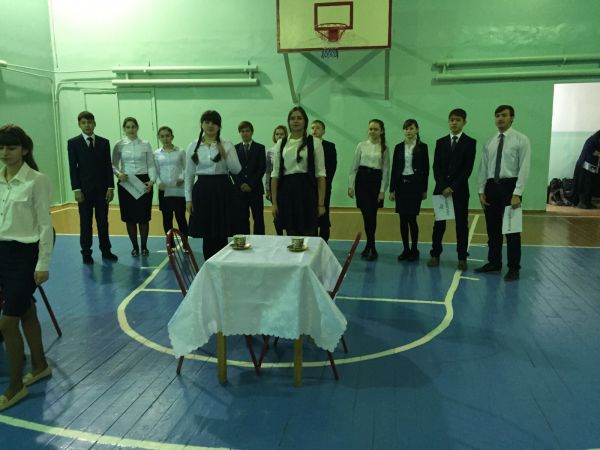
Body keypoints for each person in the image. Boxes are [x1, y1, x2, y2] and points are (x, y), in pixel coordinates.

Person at [0, 125, 54, 411]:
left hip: (25, 257)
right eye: (1, 148)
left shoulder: (37, 180)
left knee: (7, 323)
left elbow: (45, 225)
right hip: (2, 253)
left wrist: (43, 263)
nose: (5, 153)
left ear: (24, 149)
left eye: (11, 147)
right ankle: (41, 365)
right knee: (26, 312)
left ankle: (15, 386)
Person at [476, 105, 531, 281]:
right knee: (493, 229)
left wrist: (517, 192)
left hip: (510, 187)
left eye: (504, 115)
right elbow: (484, 167)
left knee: (512, 230)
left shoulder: (521, 139)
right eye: (497, 115)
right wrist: (481, 190)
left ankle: (514, 267)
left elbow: (524, 167)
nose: (500, 118)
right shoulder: (490, 141)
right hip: (492, 187)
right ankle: (494, 262)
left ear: (512, 118)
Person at [185, 110, 241, 260]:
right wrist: (188, 199)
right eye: (207, 122)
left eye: (214, 123)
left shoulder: (227, 144)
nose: (210, 125)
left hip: (222, 189)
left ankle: (222, 263)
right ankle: (209, 265)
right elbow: (189, 174)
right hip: (202, 190)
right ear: (202, 124)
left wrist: (225, 154)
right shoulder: (193, 146)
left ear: (219, 126)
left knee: (222, 232)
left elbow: (236, 169)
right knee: (207, 233)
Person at [428, 109, 476, 270]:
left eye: (458, 120)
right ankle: (435, 254)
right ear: (448, 122)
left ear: (464, 122)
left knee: (461, 225)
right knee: (439, 225)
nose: (454, 122)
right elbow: (436, 167)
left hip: (459, 191)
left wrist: (452, 187)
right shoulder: (440, 142)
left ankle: (462, 257)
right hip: (441, 191)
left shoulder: (470, 142)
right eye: (452, 120)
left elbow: (467, 169)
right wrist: (443, 186)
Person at [67, 111, 118, 265]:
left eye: (89, 122)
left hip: (102, 190)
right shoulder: (73, 143)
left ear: (94, 123)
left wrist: (110, 187)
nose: (87, 125)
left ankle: (106, 250)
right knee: (85, 223)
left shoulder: (104, 142)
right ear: (79, 125)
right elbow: (73, 168)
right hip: (84, 191)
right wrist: (76, 190)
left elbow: (108, 166)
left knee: (103, 222)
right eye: (83, 123)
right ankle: (86, 253)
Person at [271, 106, 326, 236]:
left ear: (305, 121)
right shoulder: (281, 143)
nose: (296, 121)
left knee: (310, 234)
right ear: (288, 121)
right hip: (287, 192)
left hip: (308, 192)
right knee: (291, 234)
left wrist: (321, 204)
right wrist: (274, 203)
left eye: (299, 118)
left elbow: (321, 175)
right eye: (292, 118)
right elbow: (275, 174)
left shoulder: (315, 142)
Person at [112, 117, 156, 256]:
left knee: (144, 217)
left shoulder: (146, 144)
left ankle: (144, 247)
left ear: (137, 128)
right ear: (124, 129)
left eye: (133, 126)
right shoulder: (119, 144)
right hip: (126, 182)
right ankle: (135, 247)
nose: (131, 129)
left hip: (144, 182)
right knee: (129, 218)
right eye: (128, 127)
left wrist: (152, 181)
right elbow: (113, 164)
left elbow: (151, 164)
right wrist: (119, 174)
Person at [348, 119, 390, 261]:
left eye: (376, 129)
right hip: (362, 182)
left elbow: (386, 171)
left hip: (375, 183)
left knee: (372, 215)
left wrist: (382, 190)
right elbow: (354, 167)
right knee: (367, 215)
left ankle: (370, 246)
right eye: (371, 129)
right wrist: (350, 185)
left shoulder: (384, 148)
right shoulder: (361, 145)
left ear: (381, 131)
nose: (372, 131)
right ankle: (370, 246)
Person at [389, 119, 429, 262]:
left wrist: (424, 189)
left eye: (411, 128)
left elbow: (426, 170)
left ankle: (414, 249)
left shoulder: (423, 147)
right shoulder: (398, 147)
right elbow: (394, 169)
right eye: (406, 129)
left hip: (415, 186)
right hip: (401, 186)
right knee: (402, 219)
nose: (408, 131)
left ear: (417, 130)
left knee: (412, 219)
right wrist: (392, 189)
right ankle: (405, 249)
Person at [154, 126, 188, 239]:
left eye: (167, 136)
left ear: (172, 137)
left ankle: (185, 243)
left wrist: (182, 178)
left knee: (181, 217)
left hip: (179, 190)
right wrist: (159, 183)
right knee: (167, 218)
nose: (165, 139)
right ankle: (170, 244)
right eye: (162, 136)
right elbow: (155, 171)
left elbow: (186, 168)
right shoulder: (156, 154)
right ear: (159, 138)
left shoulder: (181, 151)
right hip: (164, 191)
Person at [232, 121, 266, 235]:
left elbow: (261, 168)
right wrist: (241, 184)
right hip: (240, 190)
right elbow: (232, 169)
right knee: (242, 218)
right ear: (239, 133)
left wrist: (251, 184)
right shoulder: (235, 148)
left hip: (255, 189)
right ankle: (243, 241)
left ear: (252, 132)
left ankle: (259, 241)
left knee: (258, 218)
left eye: (247, 131)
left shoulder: (260, 148)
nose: (245, 133)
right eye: (242, 131)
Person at [311, 120, 337, 242]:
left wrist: (325, 183)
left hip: (324, 185)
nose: (314, 130)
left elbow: (332, 167)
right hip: (310, 186)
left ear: (323, 131)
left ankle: (324, 241)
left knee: (324, 212)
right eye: (312, 128)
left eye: (317, 128)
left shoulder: (329, 146)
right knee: (311, 213)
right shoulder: (307, 145)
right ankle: (313, 240)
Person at [569, 130, 600, 209]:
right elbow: (592, 151)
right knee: (585, 184)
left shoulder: (595, 139)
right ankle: (583, 203)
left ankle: (587, 202)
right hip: (585, 165)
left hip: (591, 165)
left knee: (590, 185)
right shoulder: (592, 140)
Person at [265, 125, 287, 235]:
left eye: (282, 134)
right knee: (277, 213)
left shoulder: (289, 150)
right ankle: (279, 236)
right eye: (277, 134)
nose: (279, 136)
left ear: (286, 135)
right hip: (275, 187)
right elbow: (268, 172)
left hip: (287, 185)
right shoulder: (270, 151)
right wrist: (267, 189)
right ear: (274, 136)